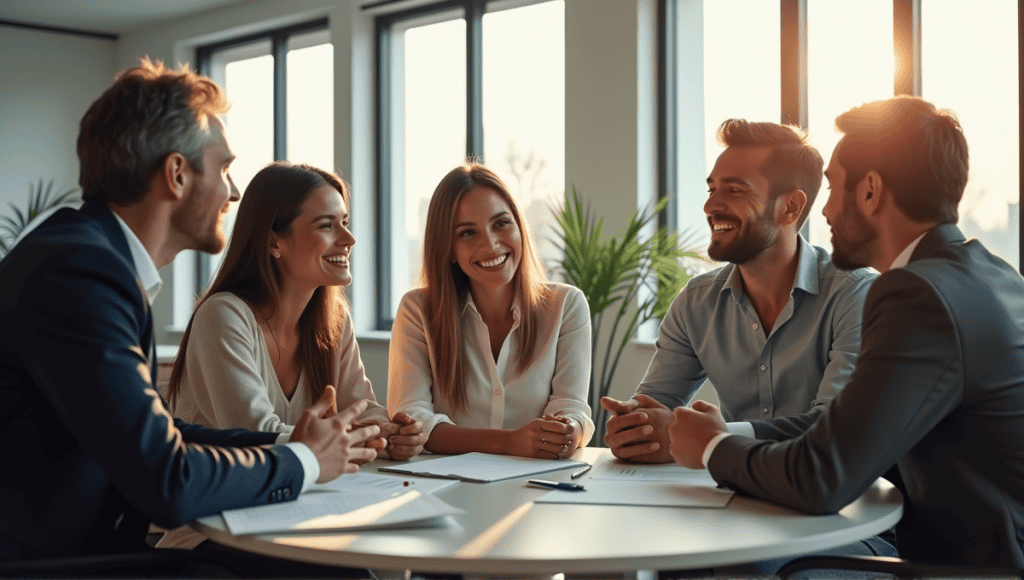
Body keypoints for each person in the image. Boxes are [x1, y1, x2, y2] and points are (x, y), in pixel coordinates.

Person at [0, 59, 380, 573]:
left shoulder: (90, 258)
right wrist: (305, 460)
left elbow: (161, 433)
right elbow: (167, 478)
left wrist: (289, 442)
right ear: (177, 174)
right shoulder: (80, 271)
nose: (235, 191)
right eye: (223, 168)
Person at [669, 96, 1024, 569]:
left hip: (962, 568)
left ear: (871, 190)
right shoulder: (989, 275)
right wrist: (725, 432)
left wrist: (714, 448)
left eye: (833, 187)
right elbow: (845, 426)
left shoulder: (916, 296)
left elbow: (822, 477)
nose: (827, 210)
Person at [157, 161, 427, 549]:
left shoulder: (334, 319)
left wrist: (390, 432)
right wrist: (352, 439)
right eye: (326, 225)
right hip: (217, 533)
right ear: (273, 242)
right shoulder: (224, 315)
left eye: (345, 222)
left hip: (305, 518)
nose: (348, 238)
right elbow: (255, 436)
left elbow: (362, 407)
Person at [602, 120, 876, 464]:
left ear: (789, 207)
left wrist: (713, 438)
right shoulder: (696, 302)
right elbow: (656, 405)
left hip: (824, 500)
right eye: (711, 189)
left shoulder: (854, 295)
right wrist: (634, 428)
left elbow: (835, 429)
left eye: (734, 191)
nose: (710, 206)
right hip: (728, 497)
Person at [388, 162, 594, 458]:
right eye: (467, 233)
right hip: (446, 486)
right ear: (447, 248)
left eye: (501, 224)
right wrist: (509, 442)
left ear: (519, 227)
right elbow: (412, 420)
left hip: (537, 483)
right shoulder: (417, 310)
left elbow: (571, 407)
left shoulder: (566, 305)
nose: (491, 244)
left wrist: (569, 429)